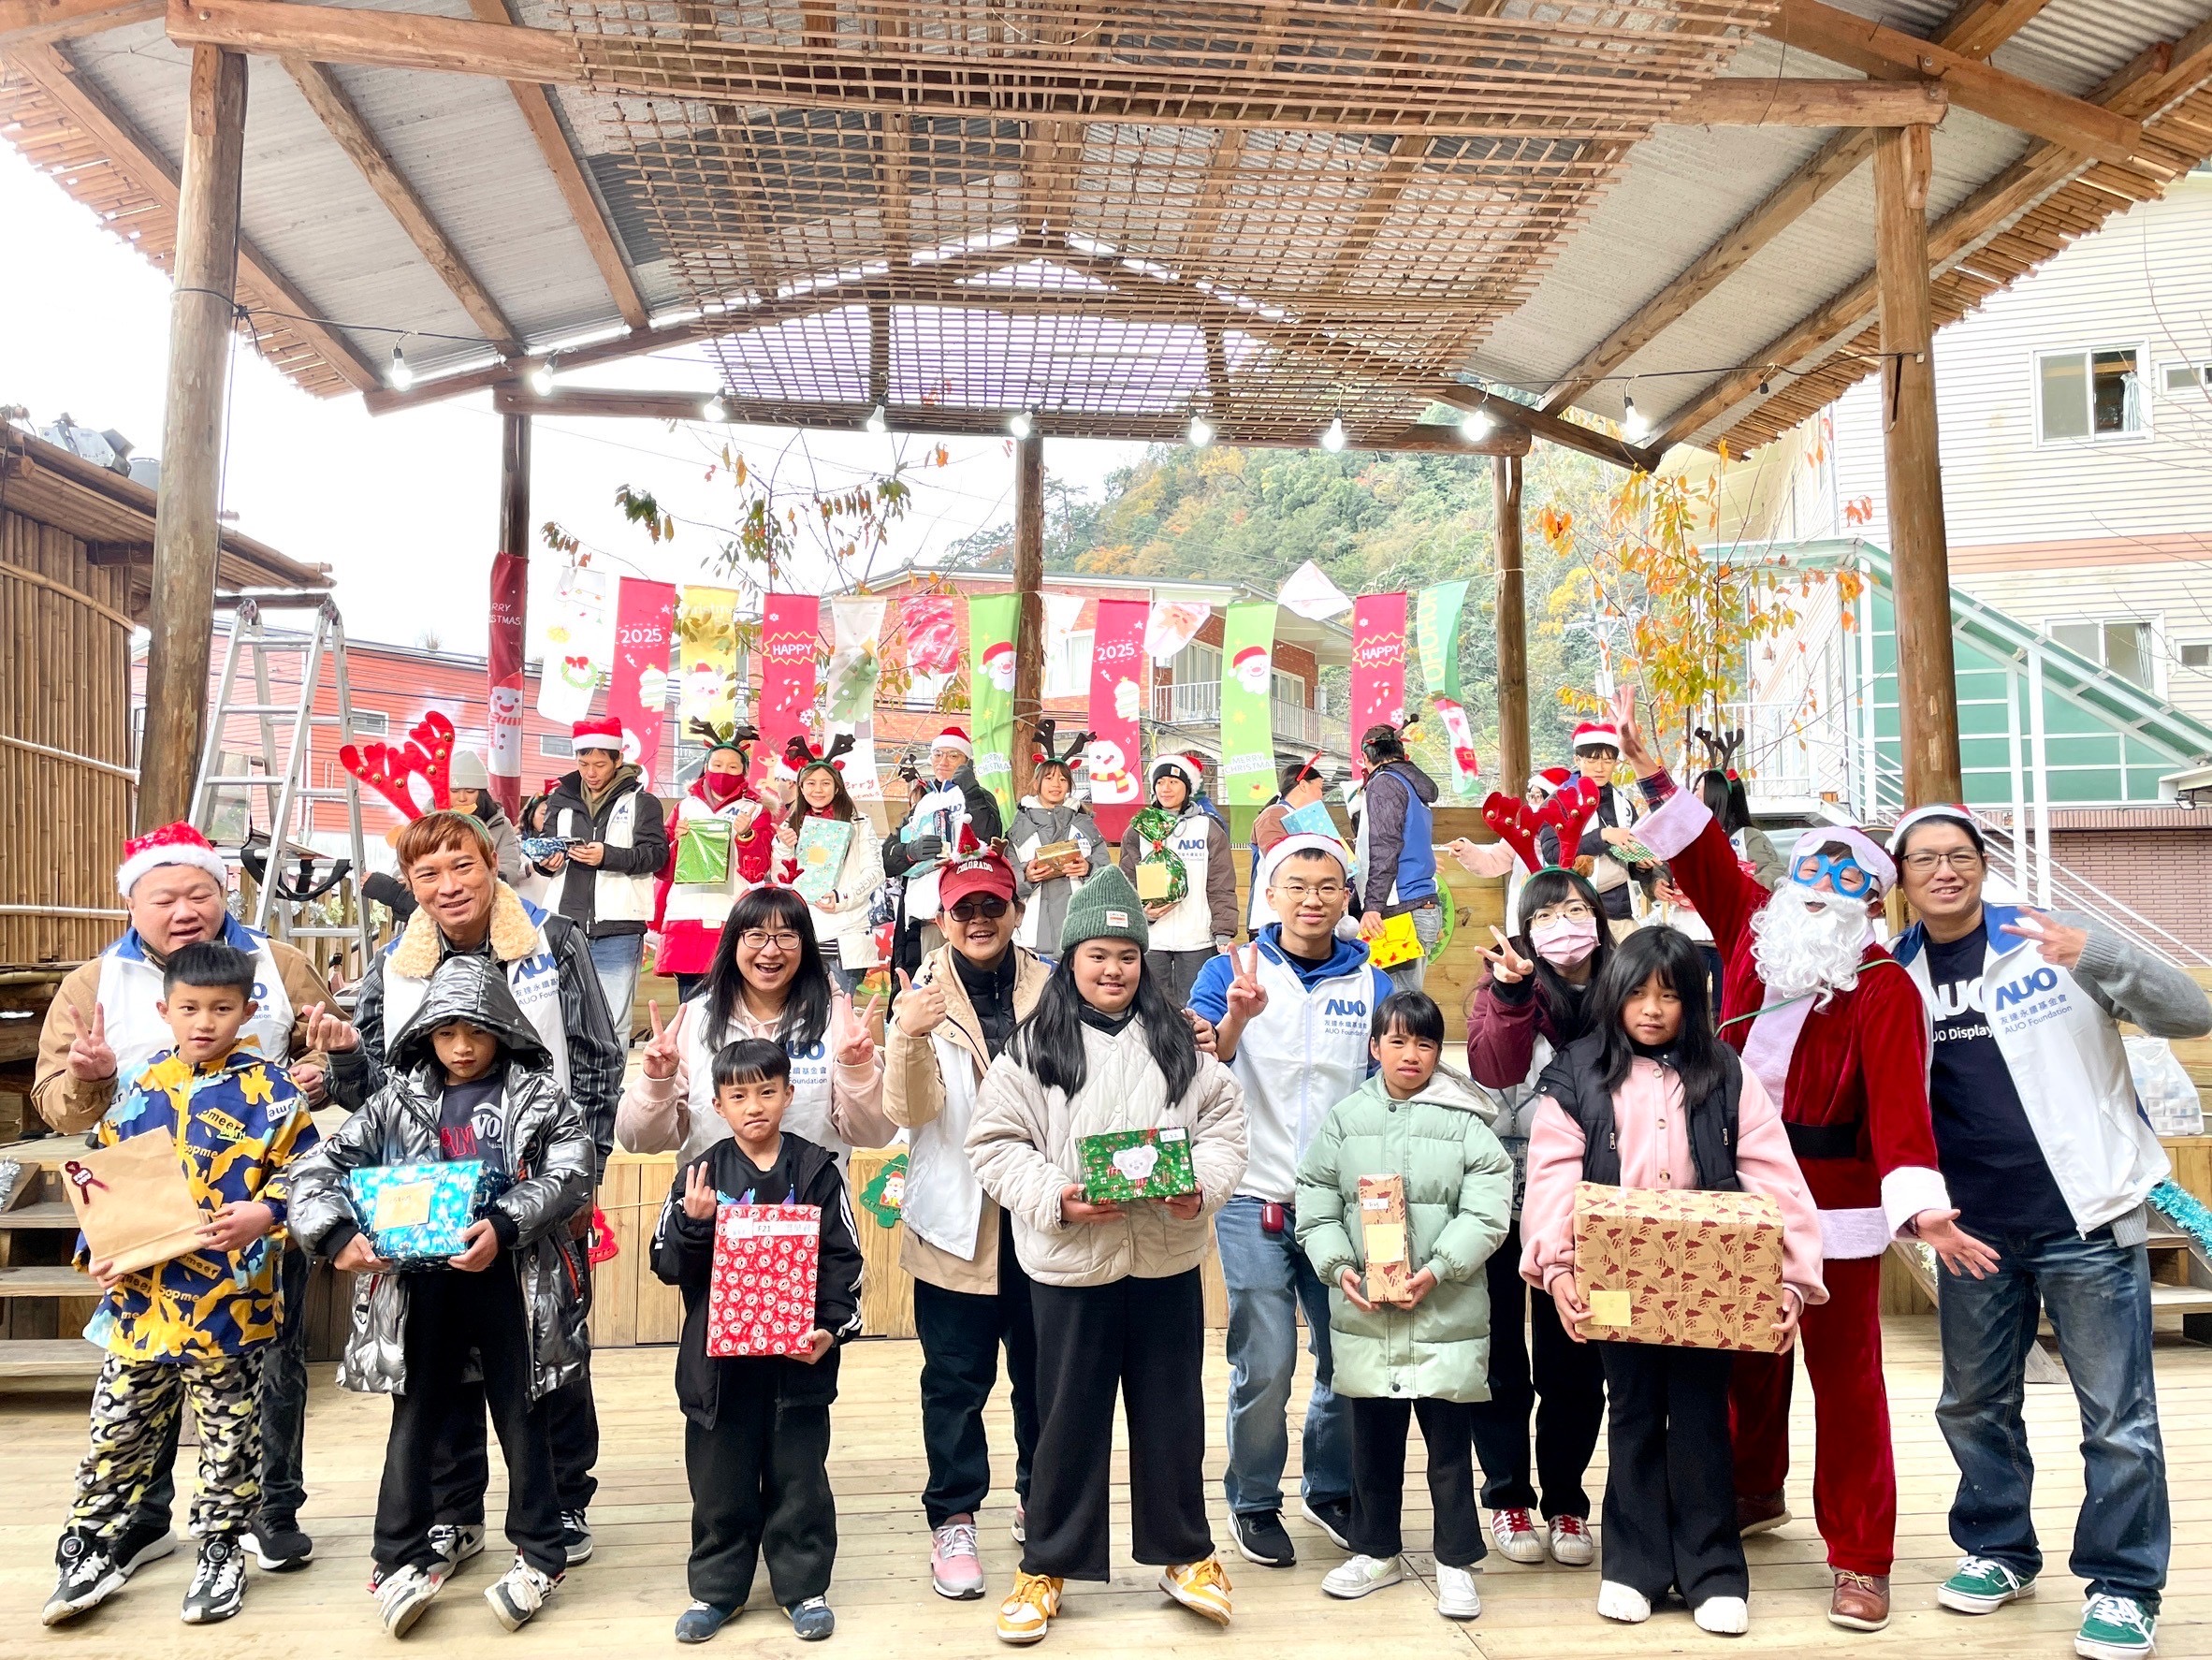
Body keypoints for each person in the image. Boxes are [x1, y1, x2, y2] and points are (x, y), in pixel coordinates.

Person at [1618, 706, 1996, 1632]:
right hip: (1732, 1186)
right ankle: (1751, 1489)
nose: (1824, 889)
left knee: (1847, 1378)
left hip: (1837, 1205)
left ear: (1873, 900)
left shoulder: (1883, 988)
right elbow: (1703, 855)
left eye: (1849, 878)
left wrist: (1920, 1204)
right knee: (1743, 1358)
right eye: (1815, 871)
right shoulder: (1755, 930)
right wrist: (1654, 773)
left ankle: (1861, 1554)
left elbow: (1901, 1106)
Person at [1886, 805, 2212, 1660]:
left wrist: (2101, 954)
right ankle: (1999, 1549)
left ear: (1981, 863)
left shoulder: (2050, 939)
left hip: (2087, 1218)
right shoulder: (1892, 973)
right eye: (1925, 859)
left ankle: (2124, 1586)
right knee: (1973, 1404)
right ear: (1902, 877)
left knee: (2118, 1419)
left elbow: (2191, 1014)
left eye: (1960, 855)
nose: (1945, 871)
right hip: (1970, 1232)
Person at [327, 808, 622, 1569]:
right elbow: (377, 1088)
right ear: (410, 884)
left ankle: (562, 1497)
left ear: (494, 863)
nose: (448, 885)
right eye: (427, 872)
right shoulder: (394, 961)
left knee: (550, 1344)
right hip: (429, 1203)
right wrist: (343, 1061)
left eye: (463, 865)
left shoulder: (556, 941)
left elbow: (597, 1058)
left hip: (538, 1191)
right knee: (440, 1359)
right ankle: (454, 1510)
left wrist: (579, 1177)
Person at [33, 822, 330, 1579]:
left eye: (198, 892)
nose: (184, 909)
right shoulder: (92, 983)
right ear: (131, 904)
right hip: (145, 1231)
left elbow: (328, 1056)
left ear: (224, 891)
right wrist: (91, 1079)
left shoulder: (280, 963)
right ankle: (142, 1521)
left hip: (250, 1227)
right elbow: (60, 1110)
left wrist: (328, 1069)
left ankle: (265, 1513)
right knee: (141, 1384)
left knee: (270, 1371)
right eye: (163, 897)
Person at [967, 866, 1248, 1644]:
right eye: (1098, 954)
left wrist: (1200, 1187)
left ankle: (1186, 1555)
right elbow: (994, 1144)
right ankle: (1047, 1565)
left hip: (1165, 1259)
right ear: (1071, 959)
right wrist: (1057, 1196)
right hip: (1070, 1265)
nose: (1114, 969)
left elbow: (1224, 1130)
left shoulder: (1181, 1041)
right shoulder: (1034, 1047)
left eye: (1127, 955)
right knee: (1066, 1420)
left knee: (1173, 1414)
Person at [1521, 926, 1826, 1635]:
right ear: (1614, 995)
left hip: (1708, 1281)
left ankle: (1712, 1572)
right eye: (1637, 993)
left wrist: (1789, 1279)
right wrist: (1558, 1268)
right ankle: (1633, 1568)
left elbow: (1774, 1174)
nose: (1652, 1009)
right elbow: (1552, 1179)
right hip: (1615, 1278)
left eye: (1669, 995)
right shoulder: (1578, 1072)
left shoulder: (1724, 1072)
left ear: (1694, 1000)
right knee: (1631, 1413)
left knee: (1700, 1417)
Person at [290, 954, 590, 1636]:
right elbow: (316, 1169)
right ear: (425, 1033)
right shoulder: (394, 1102)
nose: (461, 1046)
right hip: (420, 1286)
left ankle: (542, 1553)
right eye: (447, 1031)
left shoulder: (542, 1099)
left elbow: (572, 1171)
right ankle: (396, 1555)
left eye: (477, 1031)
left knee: (523, 1414)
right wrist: (336, 1233)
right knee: (417, 1416)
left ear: (504, 1030)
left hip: (514, 1281)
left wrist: (506, 1223)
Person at [1186, 833, 1389, 1566]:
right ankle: (1253, 1498)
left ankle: (1328, 1488)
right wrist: (1237, 1018)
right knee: (1266, 1358)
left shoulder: (1372, 982)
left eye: (1328, 886)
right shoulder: (1229, 968)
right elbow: (1202, 1057)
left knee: (1345, 1357)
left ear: (1346, 897)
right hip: (1252, 1195)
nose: (1312, 899)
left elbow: (1392, 1083)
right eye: (1296, 886)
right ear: (1269, 895)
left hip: (1342, 1204)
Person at [1293, 989, 1512, 1619]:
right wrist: (1338, 1267)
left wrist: (1440, 1268)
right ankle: (1375, 1551)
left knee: (1449, 1448)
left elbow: (1488, 1207)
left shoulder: (1466, 1120)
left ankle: (1456, 1561)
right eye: (1397, 1041)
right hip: (1368, 1315)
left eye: (1424, 1043)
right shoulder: (1346, 1119)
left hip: (1447, 1314)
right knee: (1373, 1444)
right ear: (1374, 1047)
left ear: (1438, 1052)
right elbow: (1315, 1196)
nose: (1410, 1054)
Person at [650, 1038, 866, 1645]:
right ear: (717, 1104)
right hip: (718, 1371)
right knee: (719, 1481)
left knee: (800, 1477)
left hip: (797, 1363)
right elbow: (667, 1264)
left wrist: (830, 1329)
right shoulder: (699, 1175)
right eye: (738, 1095)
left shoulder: (817, 1170)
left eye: (767, 1092)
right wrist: (694, 1225)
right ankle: (717, 1591)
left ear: (789, 1095)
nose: (754, 1106)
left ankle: (804, 1587)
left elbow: (843, 1261)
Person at [882, 837, 1050, 1598]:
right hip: (957, 1222)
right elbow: (909, 1112)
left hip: (1043, 1214)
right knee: (954, 1382)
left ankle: (1040, 1497)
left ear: (1015, 910)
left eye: (993, 905)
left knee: (1043, 1379)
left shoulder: (1054, 987)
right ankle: (953, 1517)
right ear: (943, 920)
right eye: (964, 909)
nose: (980, 919)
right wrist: (908, 1033)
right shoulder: (919, 996)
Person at [1462, 865, 1613, 1568]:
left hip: (1589, 1202)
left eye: (1577, 910)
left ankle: (1566, 1500)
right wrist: (1513, 993)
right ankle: (1506, 1493)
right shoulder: (1500, 985)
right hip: (1500, 1194)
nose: (1563, 925)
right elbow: (1493, 1068)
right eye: (1546, 915)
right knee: (1498, 1356)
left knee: (1575, 1359)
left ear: (1600, 921)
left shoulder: (1625, 987)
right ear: (1525, 927)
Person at [620, 884, 892, 1167]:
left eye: (786, 936)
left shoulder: (833, 1019)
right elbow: (639, 1140)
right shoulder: (698, 1017)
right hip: (713, 1193)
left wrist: (858, 1073)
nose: (771, 950)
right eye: (756, 936)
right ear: (733, 943)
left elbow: (875, 1135)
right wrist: (656, 1082)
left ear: (805, 946)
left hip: (813, 1193)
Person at [535, 713, 671, 1037]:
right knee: (561, 1018)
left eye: (599, 764)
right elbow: (545, 846)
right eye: (584, 764)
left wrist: (607, 855)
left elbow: (656, 855)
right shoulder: (561, 801)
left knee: (611, 1022)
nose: (591, 773)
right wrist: (546, 861)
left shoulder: (642, 802)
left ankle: (609, 1074)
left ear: (618, 760)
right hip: (564, 926)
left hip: (618, 928)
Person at [657, 722, 776, 1001]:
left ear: (744, 772)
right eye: (717, 765)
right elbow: (663, 869)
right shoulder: (684, 807)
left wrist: (746, 836)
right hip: (685, 912)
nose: (724, 772)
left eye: (733, 767)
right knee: (688, 1001)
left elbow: (758, 871)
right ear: (706, 767)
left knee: (729, 997)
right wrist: (677, 844)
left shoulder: (754, 810)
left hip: (729, 913)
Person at [1117, 753, 1237, 1005]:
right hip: (1152, 939)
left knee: (1195, 1007)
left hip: (1197, 937)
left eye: (1173, 782)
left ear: (1188, 788)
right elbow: (1126, 882)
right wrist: (1141, 915)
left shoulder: (1207, 828)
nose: (1166, 788)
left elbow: (1220, 884)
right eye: (1160, 782)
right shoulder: (1139, 829)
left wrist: (1224, 931)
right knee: (1152, 1007)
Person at [774, 743, 885, 996]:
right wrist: (784, 847)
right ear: (801, 788)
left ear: (837, 787)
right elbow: (781, 878)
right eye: (811, 783)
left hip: (845, 933)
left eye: (825, 783)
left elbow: (875, 872)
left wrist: (842, 897)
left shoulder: (859, 823)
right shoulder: (790, 825)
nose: (818, 789)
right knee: (801, 1010)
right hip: (803, 932)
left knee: (840, 1011)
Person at [1351, 724, 1442, 991]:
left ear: (1365, 757)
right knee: (1403, 1003)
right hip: (1418, 903)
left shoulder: (1384, 784)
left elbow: (1384, 846)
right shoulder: (1409, 783)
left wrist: (1373, 905)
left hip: (1399, 908)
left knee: (1396, 1006)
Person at [1541, 721, 1639, 925]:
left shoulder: (1624, 805)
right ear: (1577, 760)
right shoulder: (1558, 802)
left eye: (1608, 761)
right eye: (1592, 760)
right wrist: (1602, 836)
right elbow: (1552, 854)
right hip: (1573, 913)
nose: (1600, 768)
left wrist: (1646, 870)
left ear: (1616, 763)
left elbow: (1635, 855)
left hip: (1620, 913)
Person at [1010, 754, 1099, 955]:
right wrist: (1026, 875)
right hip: (1031, 931)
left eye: (1062, 779)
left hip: (1080, 927)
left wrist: (1089, 869)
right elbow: (1007, 877)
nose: (1056, 784)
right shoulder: (1018, 826)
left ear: (1069, 785)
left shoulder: (1084, 824)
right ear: (1037, 784)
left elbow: (1106, 871)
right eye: (1049, 778)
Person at [1247, 756, 1328, 931]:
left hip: (1298, 911)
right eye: (1320, 788)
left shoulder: (1302, 817)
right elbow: (1277, 855)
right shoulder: (1273, 815)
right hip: (1272, 917)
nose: (1322, 796)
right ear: (1304, 785)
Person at [1697, 769, 1783, 890]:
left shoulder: (1748, 837)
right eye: (1696, 789)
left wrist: (1745, 891)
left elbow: (1773, 870)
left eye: (1700, 789)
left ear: (1717, 797)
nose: (1695, 795)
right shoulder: (1692, 837)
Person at [449, 750, 524, 885]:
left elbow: (510, 869)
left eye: (470, 791)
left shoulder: (500, 824)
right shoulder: (426, 822)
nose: (462, 798)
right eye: (454, 791)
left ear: (482, 793)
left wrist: (474, 881)